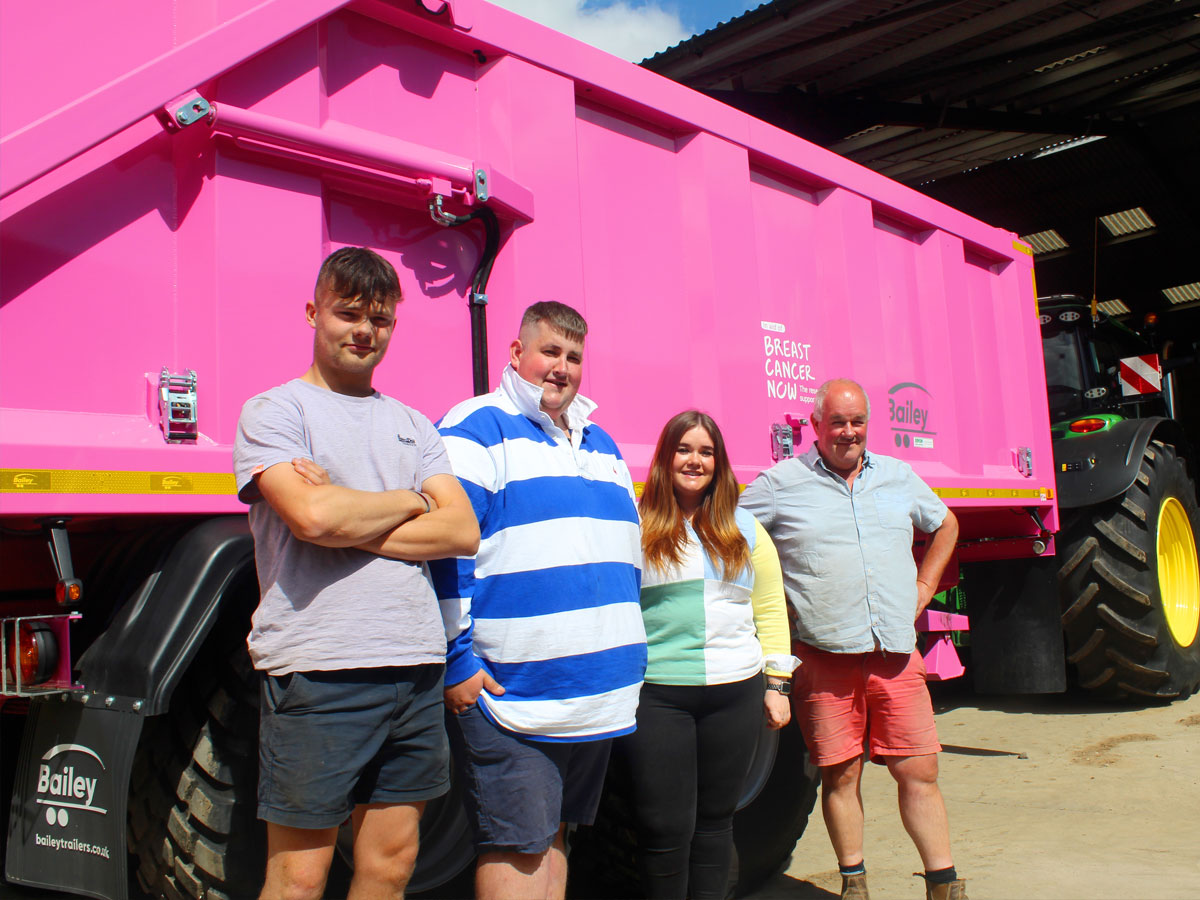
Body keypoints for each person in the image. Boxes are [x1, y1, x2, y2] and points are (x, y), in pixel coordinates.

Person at [233, 247, 480, 900]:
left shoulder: (413, 425)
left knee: (391, 867)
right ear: (314, 313)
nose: (364, 331)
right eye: (347, 314)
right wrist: (408, 500)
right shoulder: (275, 413)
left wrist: (351, 507)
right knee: (298, 878)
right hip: (320, 671)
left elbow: (461, 531)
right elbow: (312, 517)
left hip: (414, 668)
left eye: (380, 319)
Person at [429, 301, 646, 900]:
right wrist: (457, 660)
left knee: (552, 841)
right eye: (550, 351)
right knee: (516, 849)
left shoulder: (600, 440)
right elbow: (446, 553)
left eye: (574, 356)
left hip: (593, 700)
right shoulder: (475, 428)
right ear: (516, 353)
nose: (562, 367)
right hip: (513, 697)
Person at [739, 378, 966, 900]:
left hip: (894, 654)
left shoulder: (898, 476)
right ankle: (854, 884)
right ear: (815, 426)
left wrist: (925, 585)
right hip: (823, 657)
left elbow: (946, 524)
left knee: (920, 770)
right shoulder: (780, 483)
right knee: (840, 777)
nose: (848, 431)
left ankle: (945, 885)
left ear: (868, 423)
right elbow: (731, 535)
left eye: (857, 420)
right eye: (837, 422)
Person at [624, 410, 799, 899]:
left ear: (719, 463)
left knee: (716, 824)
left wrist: (778, 685)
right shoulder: (635, 522)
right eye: (684, 449)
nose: (695, 461)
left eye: (706, 452)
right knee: (663, 828)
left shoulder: (745, 526)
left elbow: (769, 607)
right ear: (665, 457)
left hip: (734, 692)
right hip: (658, 693)